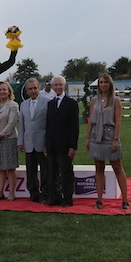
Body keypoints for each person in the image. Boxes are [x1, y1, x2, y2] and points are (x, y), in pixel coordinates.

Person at [87, 73, 130, 210]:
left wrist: (115, 139)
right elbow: (90, 121)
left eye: (105, 82)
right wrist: (88, 138)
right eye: (101, 82)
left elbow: (118, 121)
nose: (103, 85)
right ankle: (99, 200)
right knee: (99, 168)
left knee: (117, 167)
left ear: (110, 84)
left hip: (110, 136)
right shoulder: (94, 100)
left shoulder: (116, 100)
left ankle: (125, 200)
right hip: (96, 136)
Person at [44, 76, 79, 207]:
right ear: (52, 87)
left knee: (66, 173)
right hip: (52, 145)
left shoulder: (71, 103)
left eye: (60, 85)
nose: (58, 87)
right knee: (52, 173)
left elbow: (75, 127)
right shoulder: (50, 104)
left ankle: (67, 199)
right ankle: (54, 197)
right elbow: (48, 126)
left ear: (64, 86)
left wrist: (72, 146)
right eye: (55, 85)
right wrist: (46, 145)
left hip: (65, 145)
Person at [17, 78, 51, 203]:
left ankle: (45, 192)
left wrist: (49, 143)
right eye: (30, 89)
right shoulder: (23, 104)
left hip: (42, 143)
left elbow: (50, 125)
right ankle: (33, 192)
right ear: (27, 91)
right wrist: (20, 141)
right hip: (28, 143)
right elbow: (22, 125)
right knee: (30, 170)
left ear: (39, 88)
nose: (33, 91)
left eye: (35, 88)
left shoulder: (48, 102)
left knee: (45, 170)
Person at [0, 81, 20, 200]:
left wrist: (0, 135)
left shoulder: (13, 105)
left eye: (4, 90)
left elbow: (12, 123)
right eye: (0, 90)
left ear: (9, 92)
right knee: (0, 167)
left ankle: (11, 193)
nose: (2, 92)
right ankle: (0, 192)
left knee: (10, 167)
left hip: (8, 139)